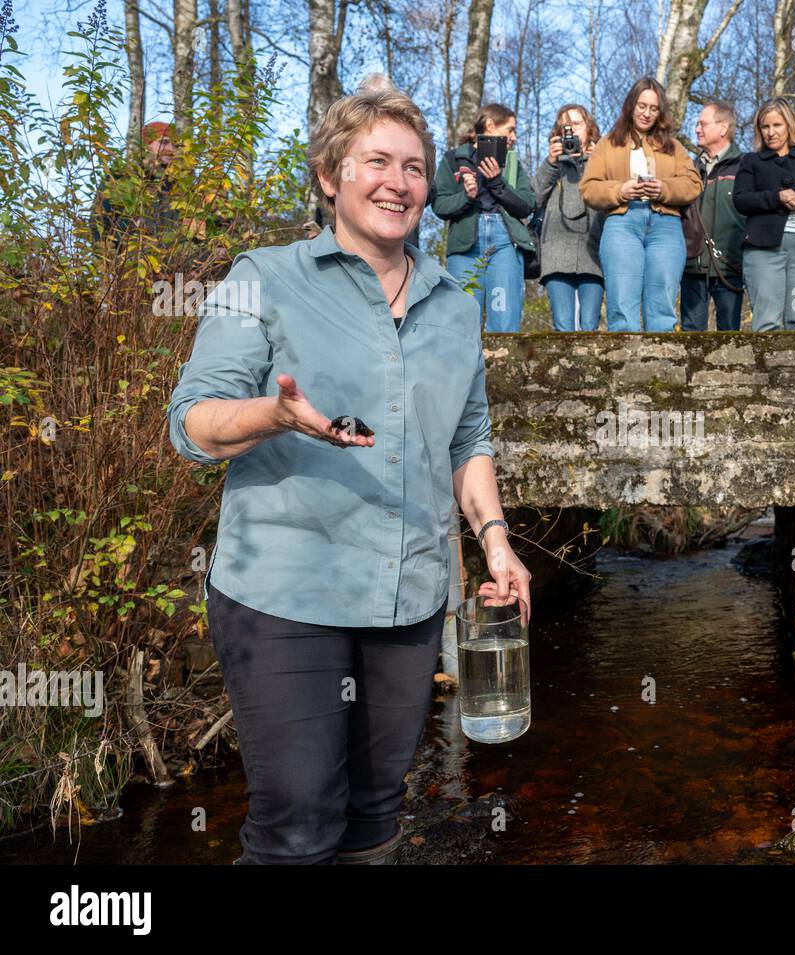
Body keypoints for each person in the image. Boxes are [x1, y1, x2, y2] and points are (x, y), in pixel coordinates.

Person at [166, 87, 532, 865]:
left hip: (408, 597)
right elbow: (191, 423)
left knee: (374, 819)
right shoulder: (259, 276)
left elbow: (468, 439)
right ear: (331, 174)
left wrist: (495, 541)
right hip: (285, 590)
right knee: (298, 822)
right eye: (377, 162)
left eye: (414, 167)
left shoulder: (454, 306)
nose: (397, 182)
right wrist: (274, 415)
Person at [579, 76, 702, 331]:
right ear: (631, 106)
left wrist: (664, 188)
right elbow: (589, 188)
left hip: (666, 225)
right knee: (622, 308)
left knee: (663, 309)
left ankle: (659, 369)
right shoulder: (607, 144)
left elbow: (693, 184)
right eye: (642, 106)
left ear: (660, 112)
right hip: (622, 223)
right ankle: (625, 368)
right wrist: (620, 190)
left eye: (653, 108)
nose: (646, 113)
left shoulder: (674, 147)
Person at [732, 97, 795, 331]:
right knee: (766, 319)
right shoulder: (752, 161)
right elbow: (741, 199)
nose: (771, 132)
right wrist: (776, 197)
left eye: (776, 125)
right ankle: (766, 368)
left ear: (789, 125)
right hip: (764, 250)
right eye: (765, 127)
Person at [434, 103, 536, 332]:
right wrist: (466, 197)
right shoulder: (454, 159)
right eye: (510, 129)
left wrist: (497, 183)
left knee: (505, 320)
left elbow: (527, 205)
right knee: (461, 323)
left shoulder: (512, 162)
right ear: (490, 125)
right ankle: (464, 368)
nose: (514, 137)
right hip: (465, 247)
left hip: (505, 243)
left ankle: (504, 367)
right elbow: (439, 205)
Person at [532, 104, 604, 331]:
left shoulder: (602, 158)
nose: (571, 130)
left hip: (592, 249)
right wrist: (551, 163)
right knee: (562, 327)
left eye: (576, 124)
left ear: (589, 128)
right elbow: (531, 200)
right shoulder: (554, 163)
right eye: (565, 126)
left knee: (590, 325)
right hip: (556, 249)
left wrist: (597, 158)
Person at [681, 102, 746, 331]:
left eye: (703, 124)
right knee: (691, 334)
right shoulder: (689, 168)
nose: (697, 129)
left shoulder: (745, 167)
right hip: (693, 266)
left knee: (730, 335)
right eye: (696, 124)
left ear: (723, 127)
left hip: (730, 266)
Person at [92, 121, 179, 245]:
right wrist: (106, 260)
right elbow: (98, 223)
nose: (171, 149)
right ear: (147, 145)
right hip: (125, 259)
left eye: (174, 144)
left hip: (169, 262)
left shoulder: (176, 186)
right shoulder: (120, 177)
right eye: (163, 142)